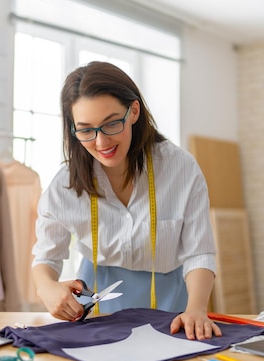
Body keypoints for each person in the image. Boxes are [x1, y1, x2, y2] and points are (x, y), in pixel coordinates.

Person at [32, 61, 221, 340]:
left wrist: (196, 309)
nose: (100, 142)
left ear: (133, 111)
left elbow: (199, 252)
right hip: (97, 300)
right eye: (85, 130)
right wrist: (46, 287)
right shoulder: (65, 183)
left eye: (111, 124)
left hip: (170, 298)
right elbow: (46, 257)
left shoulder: (180, 168)